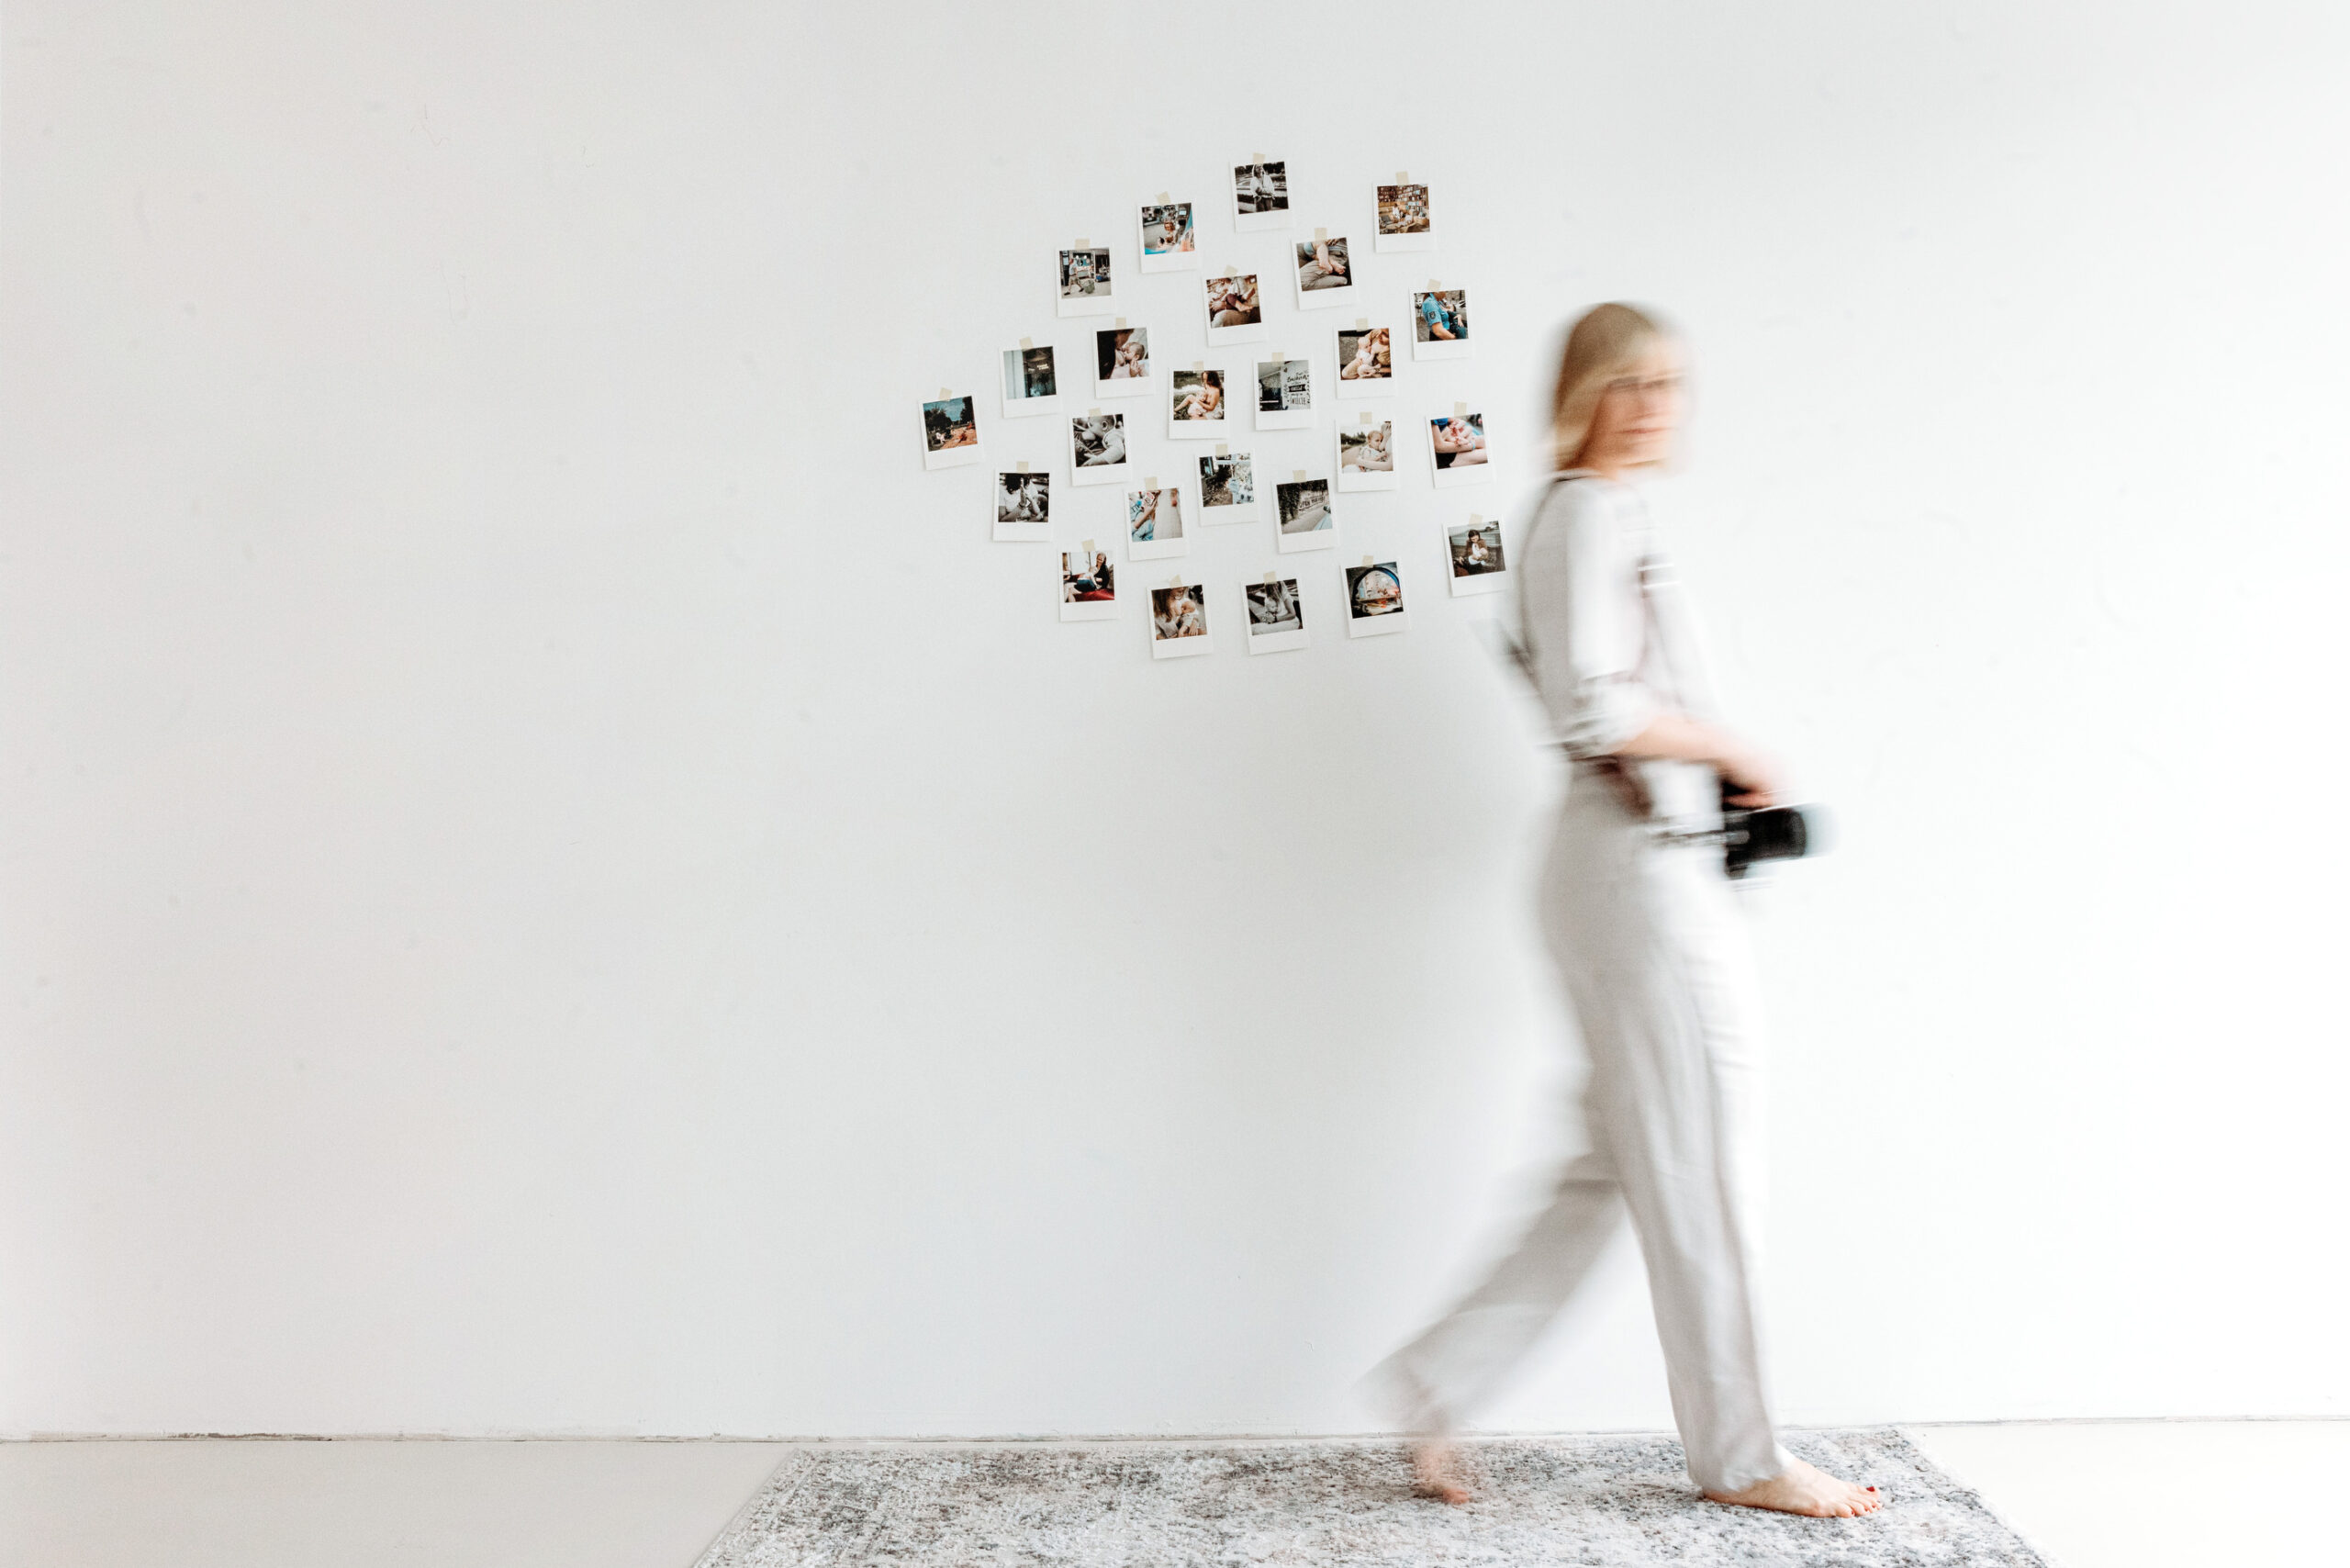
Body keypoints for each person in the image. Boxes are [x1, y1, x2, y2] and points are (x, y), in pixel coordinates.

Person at [1365, 302, 1884, 1521]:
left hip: (1635, 866)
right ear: (1582, 393)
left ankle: (1439, 1380)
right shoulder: (1588, 512)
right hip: (1639, 873)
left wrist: (1715, 772)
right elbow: (1594, 706)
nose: (1654, 406)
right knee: (1706, 1167)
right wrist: (1734, 748)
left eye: (1670, 383)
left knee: (1616, 1166)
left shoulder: (1596, 514)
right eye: (1628, 382)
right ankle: (1743, 1456)